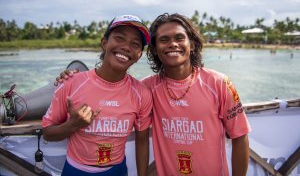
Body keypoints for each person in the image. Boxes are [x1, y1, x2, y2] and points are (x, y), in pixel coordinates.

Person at [57, 13, 251, 176]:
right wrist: (71, 77)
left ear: (192, 44)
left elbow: (240, 135)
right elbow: (113, 85)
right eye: (164, 40)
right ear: (156, 50)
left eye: (179, 38)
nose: (172, 44)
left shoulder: (218, 83)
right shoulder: (148, 88)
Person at [42, 14, 153, 176]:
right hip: (75, 170)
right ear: (104, 43)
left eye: (135, 44)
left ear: (139, 55)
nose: (126, 47)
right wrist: (72, 125)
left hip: (117, 170)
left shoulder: (141, 93)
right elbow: (47, 133)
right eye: (120, 38)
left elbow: (142, 141)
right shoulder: (71, 83)